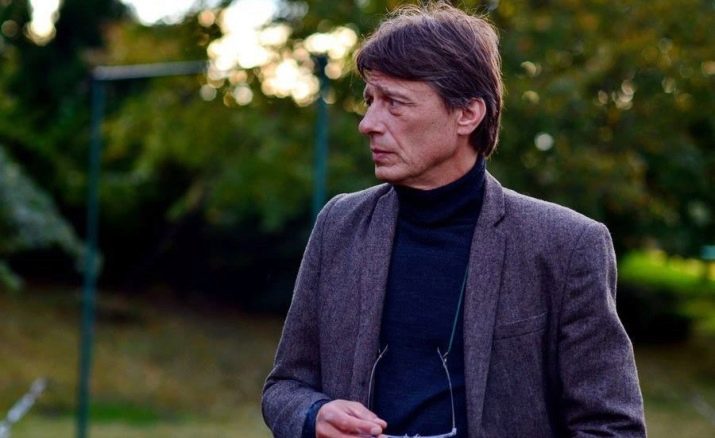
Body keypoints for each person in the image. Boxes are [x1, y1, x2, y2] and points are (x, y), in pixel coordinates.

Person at [262, 2, 646, 437]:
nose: (368, 123)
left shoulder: (566, 245)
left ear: (467, 114)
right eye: (370, 100)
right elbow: (284, 387)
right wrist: (314, 415)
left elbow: (612, 426)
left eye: (394, 102)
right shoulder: (339, 225)